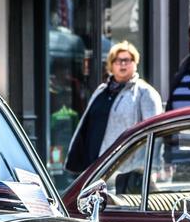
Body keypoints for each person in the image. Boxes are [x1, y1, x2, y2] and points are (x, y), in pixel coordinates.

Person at [65, 41, 162, 175]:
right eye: (117, 60)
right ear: (111, 64)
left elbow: (154, 134)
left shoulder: (145, 93)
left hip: (127, 171)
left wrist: (144, 170)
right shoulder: (101, 91)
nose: (122, 64)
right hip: (95, 169)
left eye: (127, 60)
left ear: (135, 63)